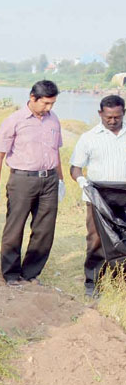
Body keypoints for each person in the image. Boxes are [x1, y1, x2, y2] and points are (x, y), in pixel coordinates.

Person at [0, 80, 64, 286]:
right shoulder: (14, 121)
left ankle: (30, 273)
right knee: (15, 226)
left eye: (52, 104)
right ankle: (11, 274)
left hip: (49, 179)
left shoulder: (53, 120)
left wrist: (61, 180)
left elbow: (56, 152)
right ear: (32, 98)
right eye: (45, 103)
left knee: (44, 229)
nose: (48, 108)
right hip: (22, 180)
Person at [70, 95, 126, 297]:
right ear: (100, 114)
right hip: (98, 198)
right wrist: (82, 181)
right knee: (96, 240)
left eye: (117, 117)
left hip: (124, 196)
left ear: (123, 113)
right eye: (108, 117)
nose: (112, 121)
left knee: (123, 239)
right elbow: (75, 167)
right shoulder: (89, 137)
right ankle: (93, 282)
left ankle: (120, 281)